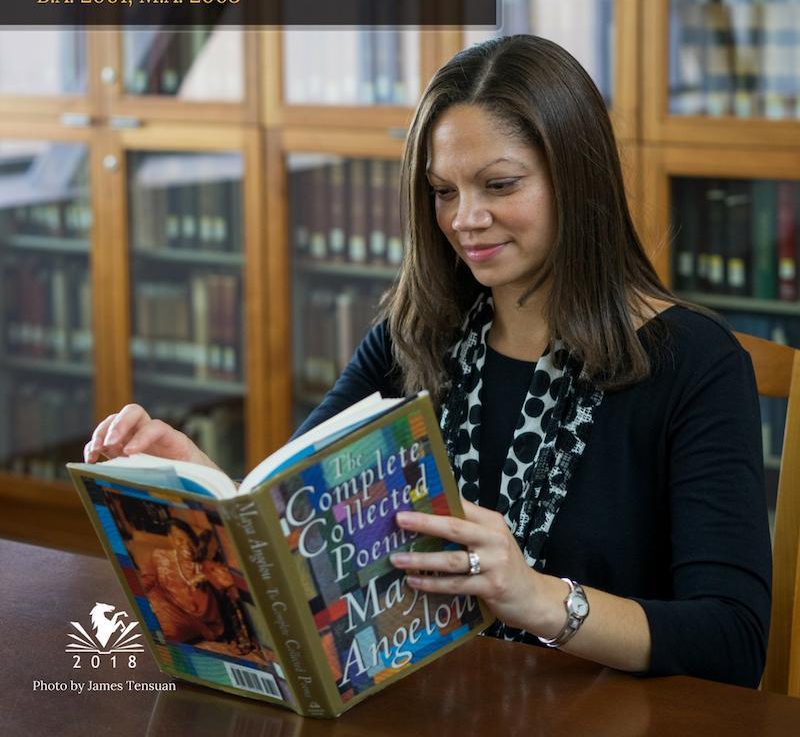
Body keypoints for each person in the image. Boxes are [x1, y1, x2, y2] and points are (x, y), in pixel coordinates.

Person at [84, 35, 771, 688]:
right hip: (432, 700)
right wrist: (197, 484)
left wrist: (535, 597)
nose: (464, 219)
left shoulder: (695, 365)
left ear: (578, 182)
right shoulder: (415, 335)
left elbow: (732, 642)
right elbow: (289, 521)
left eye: (499, 185)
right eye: (443, 191)